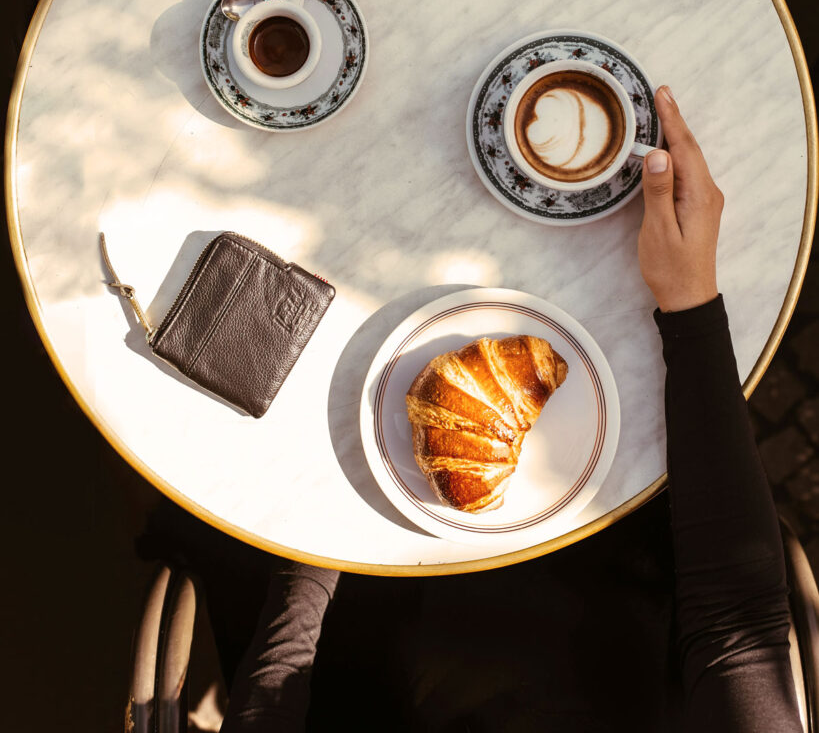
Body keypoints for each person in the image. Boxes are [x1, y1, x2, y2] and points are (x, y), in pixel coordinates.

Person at [221, 87, 803, 732]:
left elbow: (271, 694)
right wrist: (688, 301)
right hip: (629, 566)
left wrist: (341, 490)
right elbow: (735, 625)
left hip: (376, 587)